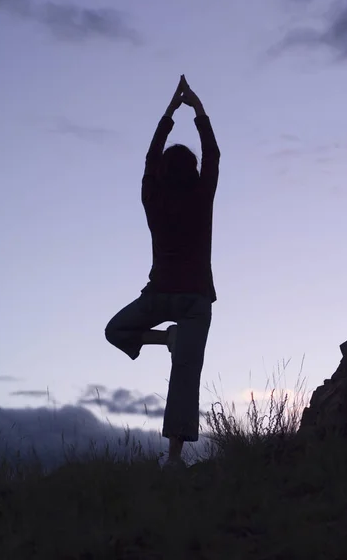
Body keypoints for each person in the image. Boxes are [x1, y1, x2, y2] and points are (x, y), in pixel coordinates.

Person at [104, 75, 220, 470]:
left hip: (160, 294)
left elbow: (149, 160)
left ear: (163, 174)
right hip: (194, 301)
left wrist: (170, 111)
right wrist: (197, 110)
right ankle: (173, 459)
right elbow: (214, 155)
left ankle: (165, 338)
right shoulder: (202, 197)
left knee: (115, 330)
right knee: (185, 375)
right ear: (192, 171)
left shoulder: (152, 198)